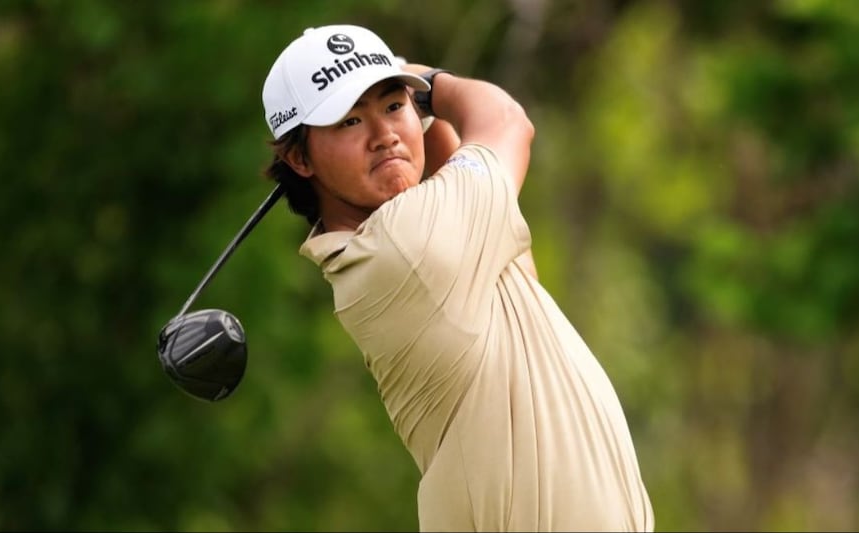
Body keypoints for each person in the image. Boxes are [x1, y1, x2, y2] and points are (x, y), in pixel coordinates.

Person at [260, 23, 654, 532]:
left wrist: (417, 106)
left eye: (392, 106)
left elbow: (459, 183)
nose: (384, 136)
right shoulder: (408, 245)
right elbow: (507, 120)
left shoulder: (431, 242)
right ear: (299, 158)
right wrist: (426, 81)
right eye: (349, 120)